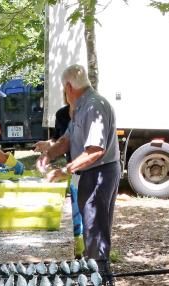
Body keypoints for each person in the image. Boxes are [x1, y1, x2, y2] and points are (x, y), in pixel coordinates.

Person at [35, 64, 120, 262]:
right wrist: (48, 155)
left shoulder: (93, 106)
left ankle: (98, 275)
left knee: (95, 228)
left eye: (64, 89)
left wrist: (66, 169)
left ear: (69, 87)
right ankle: (94, 271)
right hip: (90, 173)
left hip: (100, 174)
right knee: (90, 226)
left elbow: (95, 150)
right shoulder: (80, 107)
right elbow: (67, 139)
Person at [52, 102, 84, 258]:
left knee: (89, 214)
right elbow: (60, 140)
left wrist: (65, 170)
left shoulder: (87, 113)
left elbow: (94, 151)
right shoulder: (62, 114)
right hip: (75, 172)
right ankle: (78, 249)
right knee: (77, 211)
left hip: (89, 172)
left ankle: (90, 252)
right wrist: (48, 150)